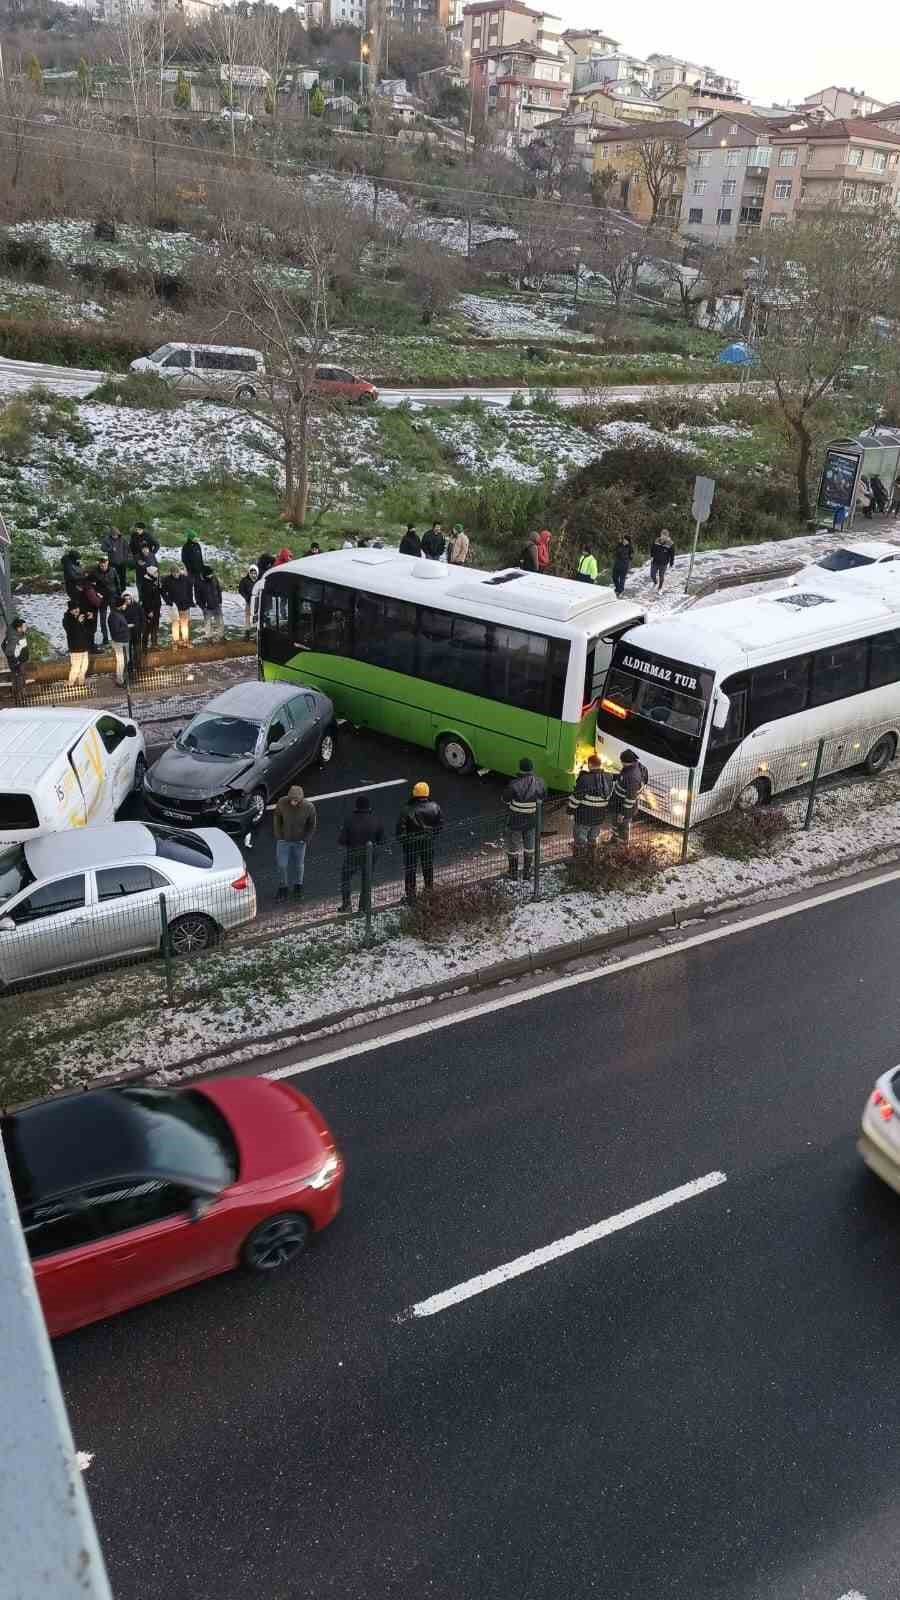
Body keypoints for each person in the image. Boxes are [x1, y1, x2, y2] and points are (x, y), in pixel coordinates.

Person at [396, 781, 443, 902]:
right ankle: (428, 891)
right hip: (427, 842)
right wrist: (430, 836)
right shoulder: (435, 807)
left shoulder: (407, 809)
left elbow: (400, 832)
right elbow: (439, 825)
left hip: (411, 845)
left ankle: (411, 896)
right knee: (428, 867)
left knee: (410, 869)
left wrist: (406, 841)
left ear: (414, 793)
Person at [502, 757, 547, 882]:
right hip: (532, 820)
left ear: (520, 768)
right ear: (532, 768)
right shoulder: (540, 782)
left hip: (515, 821)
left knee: (513, 847)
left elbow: (505, 799)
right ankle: (527, 872)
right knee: (530, 847)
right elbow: (543, 798)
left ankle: (513, 873)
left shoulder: (514, 784)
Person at [338, 795, 384, 914]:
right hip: (370, 855)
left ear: (356, 806)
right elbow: (382, 840)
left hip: (353, 854)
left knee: (345, 877)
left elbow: (342, 841)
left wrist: (350, 841)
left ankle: (347, 904)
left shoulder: (349, 820)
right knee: (366, 880)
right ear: (369, 807)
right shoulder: (376, 819)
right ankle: (363, 907)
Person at [273, 785, 317, 901]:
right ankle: (283, 887)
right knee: (281, 865)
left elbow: (312, 825)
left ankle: (298, 886)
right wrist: (279, 835)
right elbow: (277, 818)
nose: (293, 802)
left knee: (299, 865)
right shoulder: (282, 802)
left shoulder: (309, 807)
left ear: (301, 799)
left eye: (296, 800)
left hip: (299, 842)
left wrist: (306, 839)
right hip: (284, 841)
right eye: (291, 799)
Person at [568, 755, 611, 852]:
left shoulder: (585, 779)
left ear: (590, 764)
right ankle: (592, 856)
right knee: (592, 839)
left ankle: (580, 856)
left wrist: (570, 811)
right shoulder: (608, 777)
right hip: (599, 817)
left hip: (584, 817)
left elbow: (576, 799)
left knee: (580, 840)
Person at [611, 749, 648, 843]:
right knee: (615, 822)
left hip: (624, 807)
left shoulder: (632, 778)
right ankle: (615, 838)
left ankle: (622, 843)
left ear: (628, 762)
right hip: (619, 802)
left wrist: (623, 813)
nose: (621, 763)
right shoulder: (634, 766)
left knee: (622, 825)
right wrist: (611, 776)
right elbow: (623, 777)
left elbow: (630, 798)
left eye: (622, 761)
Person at [86, 555, 120, 648]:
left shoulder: (113, 570)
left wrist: (118, 594)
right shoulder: (94, 572)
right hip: (102, 598)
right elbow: (88, 582)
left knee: (115, 617)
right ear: (99, 564)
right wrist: (96, 591)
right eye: (101, 565)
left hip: (112, 596)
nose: (103, 566)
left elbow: (117, 582)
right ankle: (105, 639)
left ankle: (116, 636)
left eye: (104, 564)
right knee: (102, 619)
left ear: (107, 563)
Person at [163, 565, 195, 647]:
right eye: (174, 573)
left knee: (184, 623)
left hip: (184, 604)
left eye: (177, 573)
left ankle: (185, 640)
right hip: (173, 606)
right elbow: (163, 592)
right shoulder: (167, 580)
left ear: (179, 572)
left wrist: (191, 601)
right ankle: (176, 640)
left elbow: (190, 590)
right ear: (171, 573)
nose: (176, 575)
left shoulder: (185, 578)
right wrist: (168, 601)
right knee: (175, 623)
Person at [63, 600, 91, 687]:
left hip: (84, 646)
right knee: (76, 667)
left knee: (84, 666)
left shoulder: (81, 617)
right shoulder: (67, 619)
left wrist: (90, 618)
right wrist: (78, 622)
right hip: (75, 648)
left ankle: (81, 682)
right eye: (74, 609)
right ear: (70, 610)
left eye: (77, 608)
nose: (77, 610)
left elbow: (88, 629)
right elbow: (71, 631)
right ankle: (71, 683)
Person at [108, 596, 132, 687]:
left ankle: (122, 677)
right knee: (121, 661)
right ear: (120, 605)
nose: (126, 605)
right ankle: (119, 680)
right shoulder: (114, 616)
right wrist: (127, 627)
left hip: (124, 640)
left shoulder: (119, 613)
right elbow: (115, 630)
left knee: (126, 659)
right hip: (119, 642)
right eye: (124, 604)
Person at [138, 565, 162, 651]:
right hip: (149, 609)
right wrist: (149, 611)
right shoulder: (146, 583)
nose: (157, 574)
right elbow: (146, 599)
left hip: (156, 607)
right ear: (151, 573)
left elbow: (157, 594)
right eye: (155, 572)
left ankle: (154, 644)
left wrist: (159, 587)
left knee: (155, 627)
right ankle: (144, 646)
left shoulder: (155, 581)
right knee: (147, 628)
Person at [3, 618, 28, 699]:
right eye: (24, 626)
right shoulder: (14, 637)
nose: (26, 627)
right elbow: (9, 651)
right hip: (17, 661)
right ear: (19, 627)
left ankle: (21, 695)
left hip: (21, 660)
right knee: (18, 677)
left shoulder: (19, 634)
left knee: (21, 676)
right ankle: (19, 697)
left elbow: (3, 645)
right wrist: (15, 661)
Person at [197, 566, 224, 641]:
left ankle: (221, 636)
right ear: (205, 574)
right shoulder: (199, 582)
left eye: (212, 574)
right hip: (206, 607)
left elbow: (218, 590)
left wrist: (220, 602)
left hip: (217, 605)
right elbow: (197, 598)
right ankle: (209, 637)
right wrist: (203, 607)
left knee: (220, 622)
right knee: (208, 623)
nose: (211, 575)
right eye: (210, 574)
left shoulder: (214, 578)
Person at [101, 526, 131, 594]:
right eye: (113, 535)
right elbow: (102, 548)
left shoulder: (123, 539)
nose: (115, 536)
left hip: (122, 562)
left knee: (122, 577)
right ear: (111, 534)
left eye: (116, 534)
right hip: (112, 562)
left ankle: (123, 591)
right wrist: (111, 549)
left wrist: (126, 558)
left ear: (118, 533)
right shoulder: (107, 539)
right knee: (113, 577)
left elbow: (127, 549)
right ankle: (114, 591)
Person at [122, 591, 145, 673]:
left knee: (137, 650)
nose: (128, 600)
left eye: (129, 598)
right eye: (126, 599)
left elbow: (142, 617)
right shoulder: (122, 608)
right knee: (128, 651)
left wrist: (141, 629)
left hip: (136, 632)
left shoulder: (137, 606)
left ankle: (138, 666)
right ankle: (129, 667)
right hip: (127, 633)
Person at [238, 564, 259, 639]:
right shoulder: (244, 580)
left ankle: (257, 634)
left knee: (257, 617)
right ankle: (247, 633)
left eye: (255, 573)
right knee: (248, 617)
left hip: (258, 602)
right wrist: (246, 597)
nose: (253, 575)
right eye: (252, 573)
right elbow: (241, 590)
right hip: (249, 601)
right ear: (249, 573)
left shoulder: (259, 580)